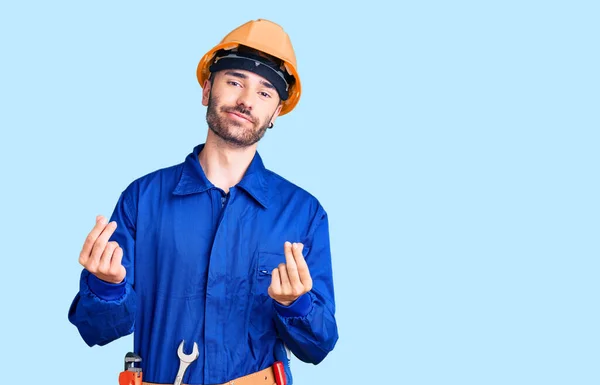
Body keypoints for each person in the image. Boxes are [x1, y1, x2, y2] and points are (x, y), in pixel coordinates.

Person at [68, 19, 339, 385]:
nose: (246, 100)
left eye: (264, 93)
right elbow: (95, 330)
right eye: (234, 81)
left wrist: (296, 304)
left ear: (275, 113)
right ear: (207, 89)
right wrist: (105, 286)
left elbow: (318, 347)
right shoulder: (143, 200)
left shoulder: (303, 213)